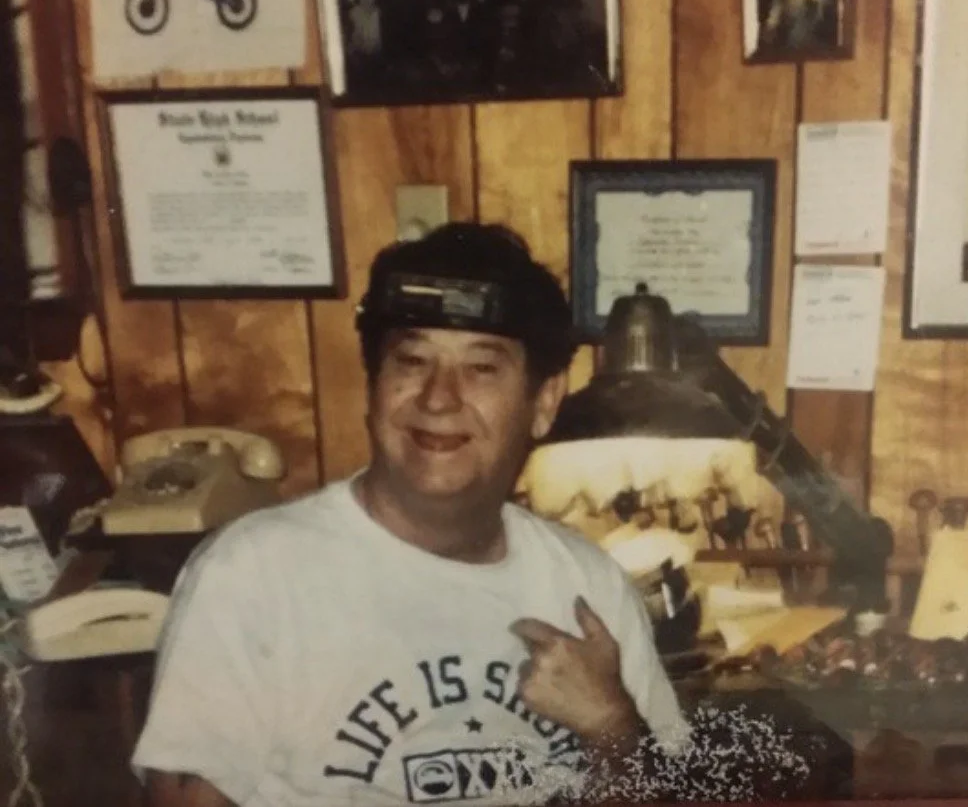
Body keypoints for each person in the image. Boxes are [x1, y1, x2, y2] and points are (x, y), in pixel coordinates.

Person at [132, 222, 690, 807]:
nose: (438, 398)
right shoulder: (251, 574)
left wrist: (610, 724)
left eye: (481, 368)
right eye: (412, 360)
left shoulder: (588, 586)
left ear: (544, 402)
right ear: (374, 387)